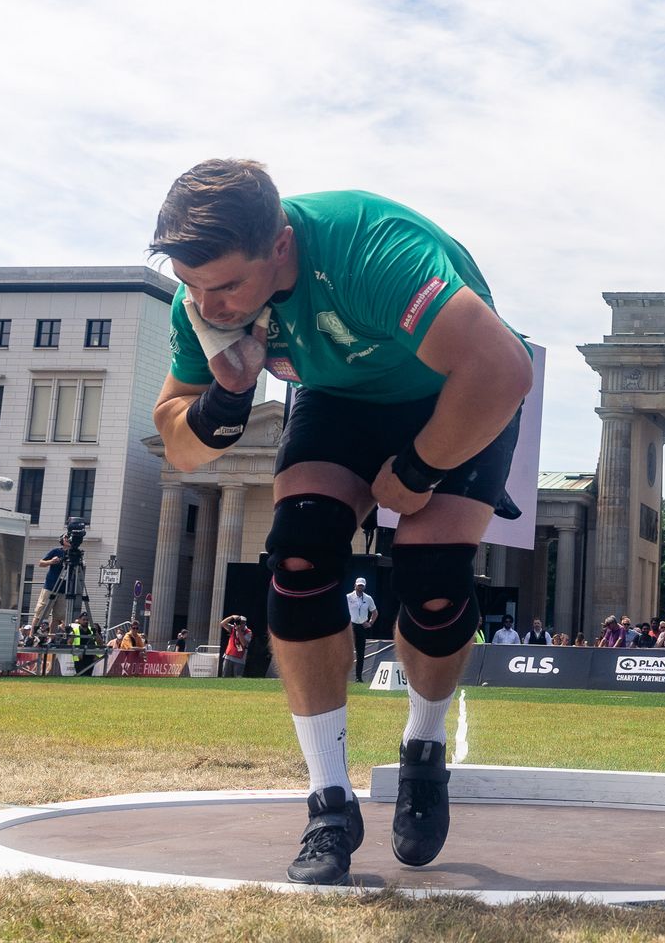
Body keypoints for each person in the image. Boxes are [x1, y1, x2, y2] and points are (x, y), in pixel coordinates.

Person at [151, 160, 531, 882]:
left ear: (282, 246)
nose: (210, 304)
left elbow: (503, 371)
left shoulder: (368, 247)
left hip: (458, 390)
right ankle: (329, 801)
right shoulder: (199, 300)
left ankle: (424, 746)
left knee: (433, 578)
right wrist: (224, 402)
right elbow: (180, 445)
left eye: (228, 285)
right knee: (296, 558)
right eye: (191, 284)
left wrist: (418, 469)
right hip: (339, 397)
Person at [28, 535, 71, 640]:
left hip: (64, 589)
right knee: (41, 611)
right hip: (50, 586)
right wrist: (51, 561)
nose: (69, 539)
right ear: (62, 540)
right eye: (67, 538)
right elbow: (41, 563)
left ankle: (52, 638)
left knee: (58, 615)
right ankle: (31, 636)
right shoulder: (56, 551)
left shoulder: (75, 554)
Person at [346, 579, 379, 681]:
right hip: (351, 626)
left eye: (362, 586)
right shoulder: (348, 597)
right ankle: (343, 676)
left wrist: (370, 623)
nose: (360, 587)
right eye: (359, 585)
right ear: (355, 585)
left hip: (361, 626)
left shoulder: (368, 598)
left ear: (364, 587)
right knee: (347, 651)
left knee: (360, 653)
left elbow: (375, 612)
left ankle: (358, 677)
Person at [220, 614, 254, 679]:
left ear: (244, 623)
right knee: (225, 677)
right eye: (239, 622)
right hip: (228, 656)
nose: (240, 624)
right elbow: (222, 624)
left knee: (237, 678)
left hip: (239, 659)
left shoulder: (248, 632)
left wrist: (239, 631)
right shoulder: (233, 628)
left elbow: (244, 643)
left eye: (241, 623)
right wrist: (231, 617)